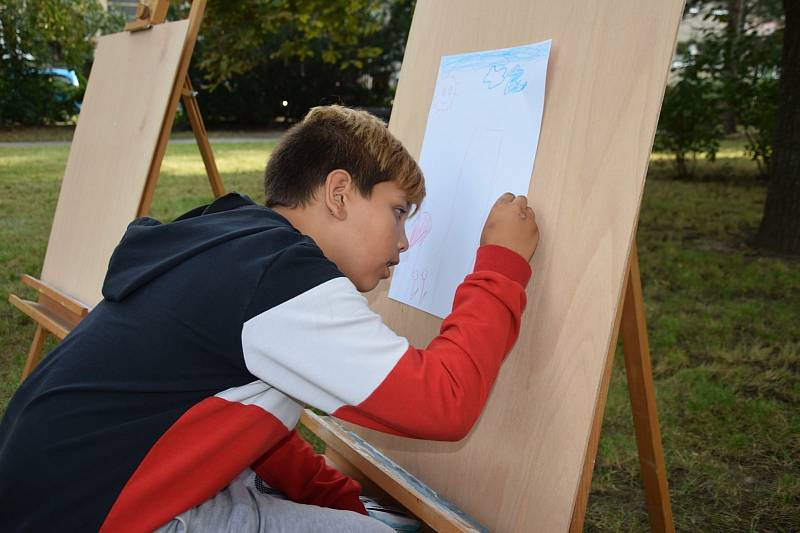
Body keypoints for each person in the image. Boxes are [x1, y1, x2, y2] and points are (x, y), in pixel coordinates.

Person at [0, 105, 539, 532]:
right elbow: (441, 402)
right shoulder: (280, 276)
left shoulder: (236, 242)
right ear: (339, 193)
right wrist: (502, 264)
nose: (402, 242)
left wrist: (341, 503)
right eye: (398, 211)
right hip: (99, 517)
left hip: (50, 499)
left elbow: (258, 423)